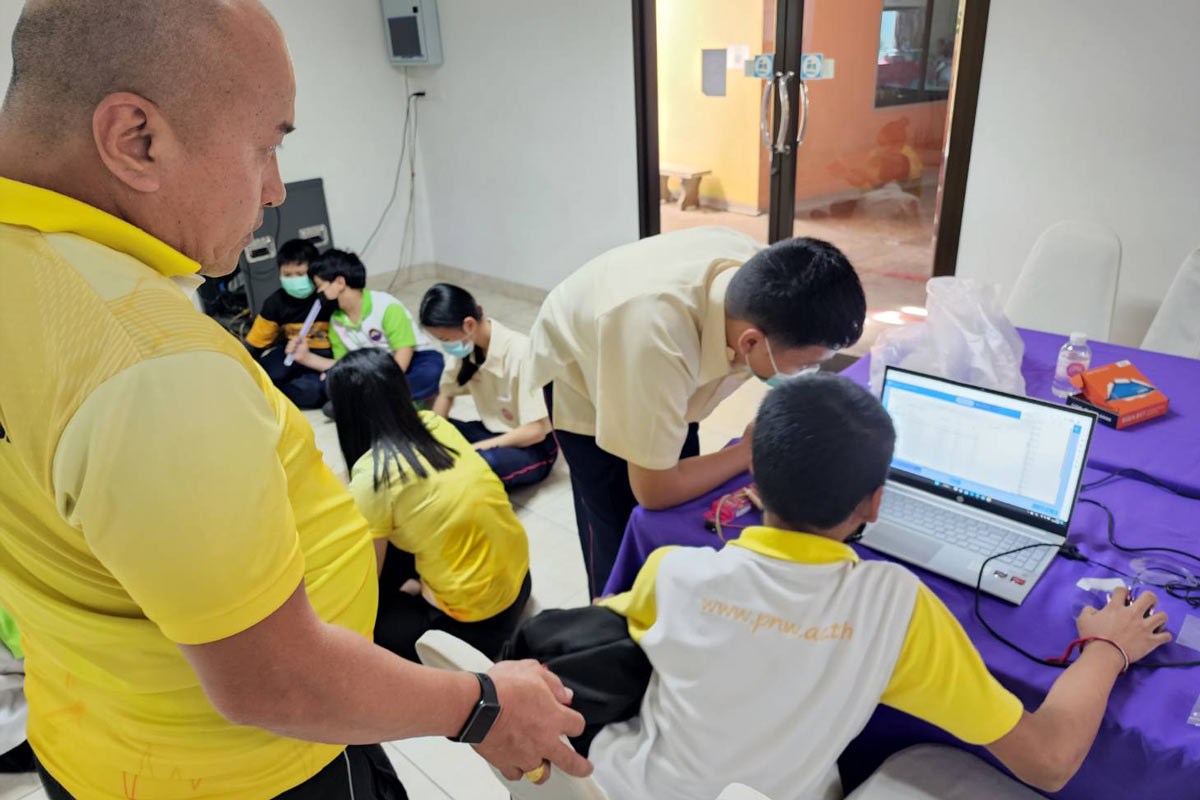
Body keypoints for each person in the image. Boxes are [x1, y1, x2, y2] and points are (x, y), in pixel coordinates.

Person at [0, 2, 589, 798]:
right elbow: (273, 680)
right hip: (248, 770)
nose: (276, 189)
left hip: (93, 736)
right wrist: (481, 707)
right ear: (136, 138)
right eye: (268, 145)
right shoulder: (147, 362)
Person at [590, 375, 1171, 800]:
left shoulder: (671, 570)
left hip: (609, 783)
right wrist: (1107, 648)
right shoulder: (894, 606)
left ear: (754, 478)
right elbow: (1049, 761)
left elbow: (604, 618)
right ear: (874, 504)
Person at [527, 226, 866, 596]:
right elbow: (654, 490)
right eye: (805, 365)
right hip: (585, 369)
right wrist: (747, 450)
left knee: (680, 494)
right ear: (750, 342)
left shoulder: (769, 287)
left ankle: (671, 593)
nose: (809, 373)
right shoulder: (655, 339)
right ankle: (610, 610)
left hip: (652, 355)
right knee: (618, 522)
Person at [327, 349, 532, 662]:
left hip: (474, 622)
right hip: (520, 583)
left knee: (361, 624)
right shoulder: (434, 423)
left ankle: (426, 604)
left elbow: (368, 578)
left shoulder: (372, 477)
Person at [420, 283, 558, 490]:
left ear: (469, 324)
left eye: (445, 339)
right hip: (492, 431)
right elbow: (446, 393)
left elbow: (535, 431)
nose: (445, 346)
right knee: (424, 428)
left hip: (533, 447)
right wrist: (430, 434)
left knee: (483, 463)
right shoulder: (468, 349)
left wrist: (474, 449)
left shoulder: (520, 353)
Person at [287, 249, 444, 407]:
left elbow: (404, 350)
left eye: (320, 286)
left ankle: (374, 403)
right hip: (374, 369)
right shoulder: (336, 321)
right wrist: (306, 358)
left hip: (412, 360)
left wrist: (386, 382)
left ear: (340, 282)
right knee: (330, 382)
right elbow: (343, 364)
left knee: (430, 371)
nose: (319, 292)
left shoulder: (386, 305)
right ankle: (387, 402)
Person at [243, 238, 334, 409]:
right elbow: (254, 344)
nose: (294, 280)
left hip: (323, 356)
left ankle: (280, 395)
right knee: (263, 375)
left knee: (313, 390)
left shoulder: (328, 298)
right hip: (291, 352)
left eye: (300, 274)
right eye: (287, 275)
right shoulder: (275, 302)